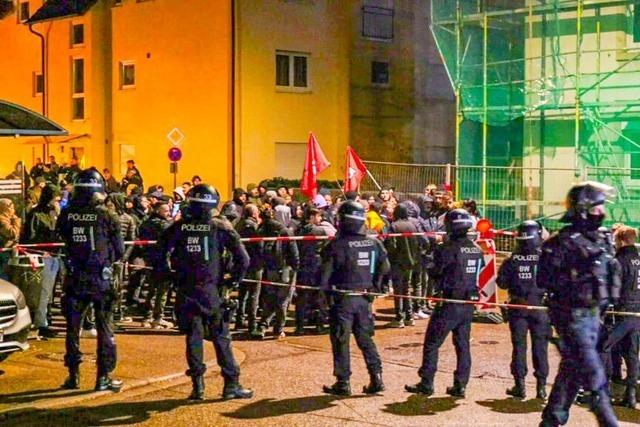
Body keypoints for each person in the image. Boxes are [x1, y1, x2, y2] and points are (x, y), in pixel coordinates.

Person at [159, 183, 253, 401]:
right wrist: (233, 281)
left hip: (186, 289)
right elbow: (244, 259)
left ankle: (198, 387)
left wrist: (171, 277)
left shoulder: (179, 227)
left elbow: (159, 253)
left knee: (193, 338)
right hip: (213, 291)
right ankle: (231, 385)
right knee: (221, 337)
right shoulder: (220, 226)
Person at [538, 182, 620, 427]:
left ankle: (552, 420)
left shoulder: (602, 239)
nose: (602, 211)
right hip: (573, 317)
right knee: (595, 380)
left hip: (596, 316)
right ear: (583, 209)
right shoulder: (562, 242)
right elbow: (544, 279)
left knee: (572, 370)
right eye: (598, 206)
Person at [56, 168, 124, 391]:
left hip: (75, 276)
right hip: (101, 279)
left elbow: (62, 237)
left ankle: (73, 376)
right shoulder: (107, 215)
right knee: (105, 329)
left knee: (72, 329)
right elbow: (120, 250)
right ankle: (103, 377)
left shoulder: (67, 214)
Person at [406, 209, 483, 398]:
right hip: (467, 303)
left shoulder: (447, 249)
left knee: (432, 343)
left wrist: (428, 259)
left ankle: (426, 383)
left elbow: (435, 272)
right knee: (462, 345)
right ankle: (461, 385)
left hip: (449, 302)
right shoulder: (476, 249)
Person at [320, 200, 389, 396]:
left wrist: (323, 299)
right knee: (366, 339)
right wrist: (376, 287)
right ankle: (376, 377)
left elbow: (324, 275)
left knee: (341, 340)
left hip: (342, 299)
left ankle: (343, 382)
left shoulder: (336, 245)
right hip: (365, 299)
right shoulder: (374, 242)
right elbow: (385, 268)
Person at [496, 220, 550, 400]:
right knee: (540, 348)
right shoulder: (546, 258)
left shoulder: (512, 259)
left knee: (519, 347)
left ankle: (520, 386)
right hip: (540, 308)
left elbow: (501, 283)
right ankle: (541, 388)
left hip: (518, 308)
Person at [600, 225, 640, 409]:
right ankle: (630, 396)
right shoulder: (638, 260)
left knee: (604, 347)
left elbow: (613, 294)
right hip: (637, 314)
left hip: (622, 313)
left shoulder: (618, 262)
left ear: (621, 241)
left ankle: (604, 392)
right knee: (631, 353)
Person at [22, 184, 62, 338]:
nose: (57, 201)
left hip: (54, 257)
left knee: (47, 293)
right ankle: (39, 322)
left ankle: (43, 321)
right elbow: (30, 237)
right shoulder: (35, 214)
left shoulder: (54, 213)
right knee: (39, 292)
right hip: (41, 258)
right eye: (55, 198)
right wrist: (36, 252)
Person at [254, 206, 299, 339]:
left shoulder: (261, 229)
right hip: (286, 269)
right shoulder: (285, 231)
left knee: (269, 298)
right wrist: (295, 268)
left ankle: (262, 326)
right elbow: (294, 253)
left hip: (269, 269)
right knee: (283, 300)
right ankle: (278, 328)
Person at [138, 202, 174, 329]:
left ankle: (147, 317)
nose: (168, 213)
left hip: (149, 258)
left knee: (151, 289)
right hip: (162, 259)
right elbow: (171, 231)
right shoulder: (161, 223)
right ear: (158, 211)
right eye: (166, 211)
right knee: (162, 290)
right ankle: (158, 318)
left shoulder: (146, 222)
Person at [294, 206, 328, 335]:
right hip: (316, 266)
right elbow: (325, 248)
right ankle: (319, 325)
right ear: (312, 217)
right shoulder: (319, 231)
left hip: (302, 266)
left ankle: (300, 326)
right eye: (319, 216)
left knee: (302, 297)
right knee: (319, 297)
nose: (320, 218)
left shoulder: (298, 229)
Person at [385, 203, 419, 328]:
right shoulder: (412, 226)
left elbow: (391, 246)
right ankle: (409, 317)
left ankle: (399, 318)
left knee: (398, 291)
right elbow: (418, 243)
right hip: (410, 262)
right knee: (407, 289)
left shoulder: (394, 226)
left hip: (397, 263)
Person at [234, 203, 263, 335]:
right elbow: (259, 245)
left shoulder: (238, 225)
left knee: (242, 294)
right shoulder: (253, 226)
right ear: (253, 214)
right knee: (253, 295)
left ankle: (239, 319)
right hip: (254, 264)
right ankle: (252, 324)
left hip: (241, 264)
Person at [0, 199, 21, 280]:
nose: (13, 210)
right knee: (3, 274)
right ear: (4, 208)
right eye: (11, 208)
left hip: (8, 251)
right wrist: (16, 220)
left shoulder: (8, 219)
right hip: (4, 251)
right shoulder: (2, 220)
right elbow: (13, 233)